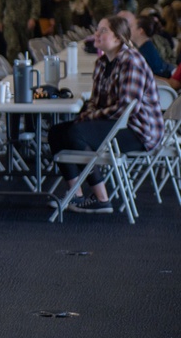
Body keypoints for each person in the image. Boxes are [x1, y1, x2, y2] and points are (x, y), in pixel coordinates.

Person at [48, 15, 164, 213]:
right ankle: (75, 194)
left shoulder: (132, 61)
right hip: (115, 122)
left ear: (118, 38)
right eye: (97, 30)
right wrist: (90, 113)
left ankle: (102, 198)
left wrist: (90, 116)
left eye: (103, 31)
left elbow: (127, 108)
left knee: (77, 133)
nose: (96, 35)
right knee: (56, 133)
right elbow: (94, 100)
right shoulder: (102, 63)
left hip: (139, 130)